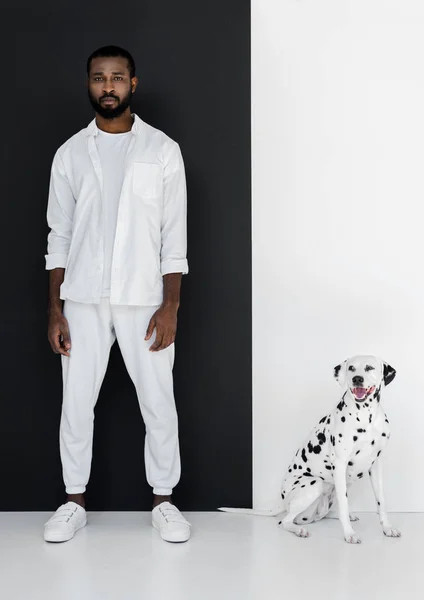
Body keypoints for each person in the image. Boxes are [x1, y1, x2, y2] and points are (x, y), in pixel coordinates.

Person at [43, 45, 190, 543]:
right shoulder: (69, 154)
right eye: (100, 78)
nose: (108, 86)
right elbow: (57, 236)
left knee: (158, 399)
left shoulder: (162, 150)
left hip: (144, 298)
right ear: (88, 84)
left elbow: (175, 236)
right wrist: (55, 308)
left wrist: (170, 305)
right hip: (82, 297)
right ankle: (73, 500)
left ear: (133, 84)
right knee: (76, 401)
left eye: (117, 78)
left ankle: (165, 501)